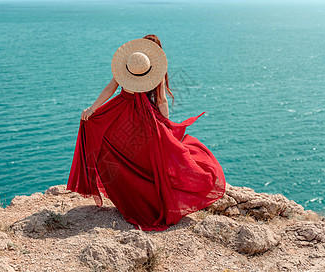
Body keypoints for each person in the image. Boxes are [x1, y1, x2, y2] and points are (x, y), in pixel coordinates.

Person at [67, 34, 226, 231]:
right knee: (147, 162)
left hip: (118, 113)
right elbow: (161, 101)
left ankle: (128, 201)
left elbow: (110, 89)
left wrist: (92, 110)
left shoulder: (127, 64)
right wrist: (166, 125)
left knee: (113, 156)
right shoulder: (155, 70)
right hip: (143, 119)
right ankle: (149, 204)